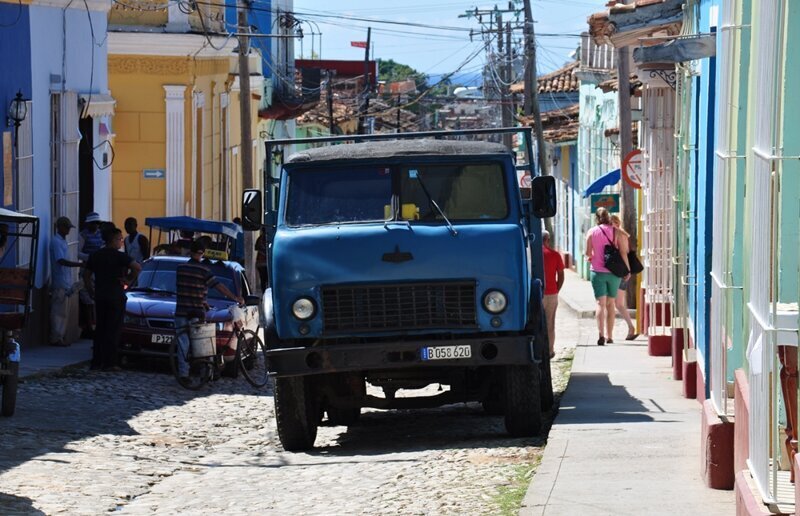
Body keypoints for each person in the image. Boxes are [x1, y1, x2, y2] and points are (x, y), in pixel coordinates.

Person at [174, 240, 243, 382]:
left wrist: (202, 300)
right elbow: (219, 287)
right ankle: (207, 372)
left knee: (183, 344)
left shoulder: (180, 268)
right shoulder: (204, 271)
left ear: (190, 251)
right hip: (196, 312)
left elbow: (188, 287)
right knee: (203, 343)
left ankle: (183, 374)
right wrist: (234, 297)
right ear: (201, 253)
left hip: (181, 310)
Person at [83, 227, 141, 370]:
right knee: (113, 330)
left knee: (100, 329)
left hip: (100, 296)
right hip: (115, 296)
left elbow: (86, 275)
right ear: (113, 240)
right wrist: (128, 279)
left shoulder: (96, 255)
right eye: (120, 239)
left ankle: (96, 362)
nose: (122, 242)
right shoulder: (119, 256)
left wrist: (91, 291)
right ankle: (109, 363)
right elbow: (137, 267)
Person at [584, 207, 630, 346]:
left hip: (597, 272)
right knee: (611, 304)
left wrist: (592, 258)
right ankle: (610, 336)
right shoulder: (615, 231)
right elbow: (623, 252)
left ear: (597, 218)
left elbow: (588, 253)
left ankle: (601, 335)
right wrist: (627, 270)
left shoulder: (591, 232)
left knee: (600, 304)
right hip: (613, 273)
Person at [50, 217, 83, 347]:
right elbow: (60, 260)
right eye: (67, 227)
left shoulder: (62, 241)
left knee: (63, 312)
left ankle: (60, 337)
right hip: (60, 282)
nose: (69, 230)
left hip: (65, 281)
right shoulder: (56, 242)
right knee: (59, 312)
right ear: (61, 227)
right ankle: (56, 337)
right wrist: (78, 264)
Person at [610, 214, 639, 341]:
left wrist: (627, 271)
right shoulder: (621, 234)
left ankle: (631, 328)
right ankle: (630, 328)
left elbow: (624, 253)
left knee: (618, 304)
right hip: (621, 271)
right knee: (619, 304)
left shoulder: (619, 234)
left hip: (621, 272)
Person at [78, 212, 104, 338]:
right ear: (88, 223)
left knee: (96, 301)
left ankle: (96, 326)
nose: (96, 225)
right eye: (94, 223)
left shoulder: (101, 235)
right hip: (87, 269)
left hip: (99, 271)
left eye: (97, 223)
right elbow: (78, 253)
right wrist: (91, 258)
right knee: (87, 300)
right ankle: (89, 327)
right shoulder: (82, 235)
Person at [541, 230, 564, 358]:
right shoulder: (555, 255)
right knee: (550, 323)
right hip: (551, 293)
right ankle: (549, 350)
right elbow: (561, 274)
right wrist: (557, 288)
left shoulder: (533, 255)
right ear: (547, 240)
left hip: (536, 293)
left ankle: (538, 349)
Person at [255, 227, 268, 292]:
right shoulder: (270, 238)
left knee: (263, 280)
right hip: (267, 263)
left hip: (260, 263)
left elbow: (256, 247)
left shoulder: (260, 238)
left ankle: (264, 293)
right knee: (268, 280)